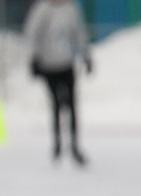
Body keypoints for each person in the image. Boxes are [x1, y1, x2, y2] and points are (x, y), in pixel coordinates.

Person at [24, 0, 92, 165]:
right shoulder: (42, 9)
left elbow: (79, 33)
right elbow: (33, 33)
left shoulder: (70, 9)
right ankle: (57, 145)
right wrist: (34, 58)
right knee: (55, 104)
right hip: (49, 65)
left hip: (66, 64)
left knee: (71, 105)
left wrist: (86, 55)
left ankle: (74, 145)